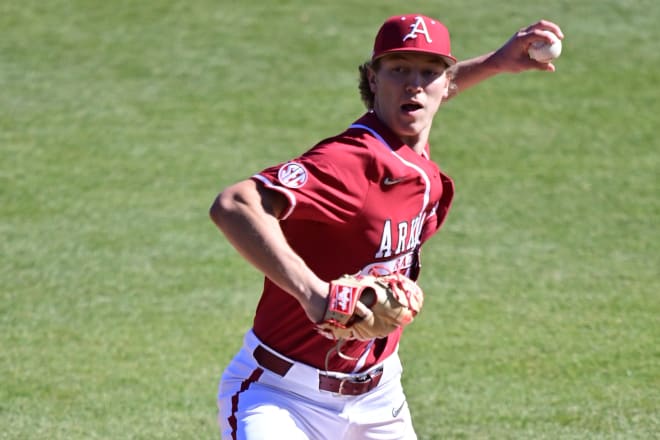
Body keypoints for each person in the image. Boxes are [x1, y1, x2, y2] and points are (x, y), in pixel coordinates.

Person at [210, 13, 563, 440]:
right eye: (397, 70)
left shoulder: (408, 148)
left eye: (429, 71)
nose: (414, 84)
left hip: (378, 400)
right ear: (373, 80)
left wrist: (495, 63)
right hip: (280, 397)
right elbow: (234, 204)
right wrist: (312, 293)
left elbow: (422, 96)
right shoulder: (349, 162)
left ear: (446, 82)